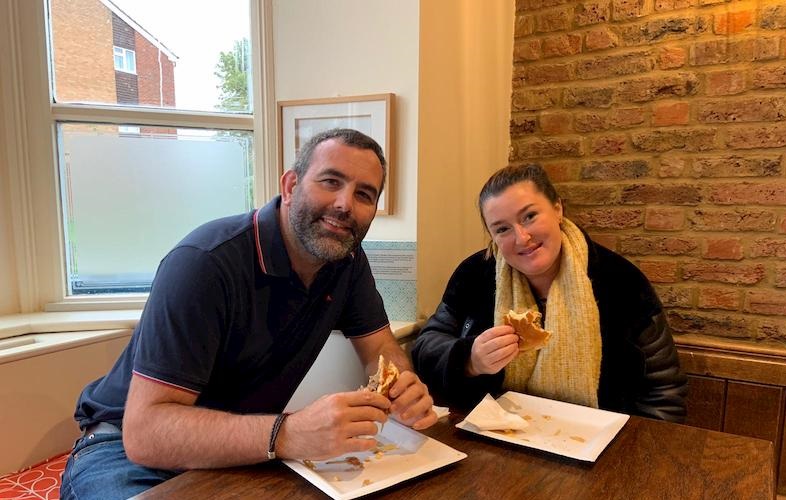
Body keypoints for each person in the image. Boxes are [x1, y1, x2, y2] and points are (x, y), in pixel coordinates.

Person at [61, 128, 437, 500]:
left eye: (364, 194)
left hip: (238, 454)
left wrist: (401, 383)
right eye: (330, 181)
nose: (344, 204)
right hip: (120, 454)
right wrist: (288, 434)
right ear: (290, 186)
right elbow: (145, 435)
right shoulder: (204, 264)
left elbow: (379, 348)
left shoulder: (346, 261)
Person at [411, 164, 687, 422]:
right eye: (503, 229)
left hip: (597, 448)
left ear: (557, 209)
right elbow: (425, 349)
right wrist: (469, 359)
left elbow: (664, 395)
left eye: (529, 216)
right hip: (493, 440)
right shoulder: (474, 275)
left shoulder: (620, 281)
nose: (521, 238)